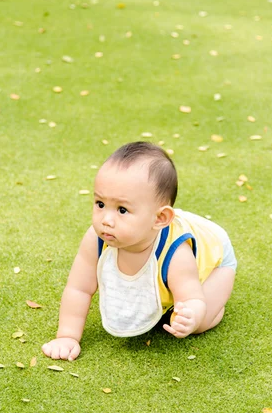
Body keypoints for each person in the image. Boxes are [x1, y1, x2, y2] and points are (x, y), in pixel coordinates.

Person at [41, 142, 237, 361]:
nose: (106, 220)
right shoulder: (96, 238)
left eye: (122, 210)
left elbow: (191, 298)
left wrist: (192, 314)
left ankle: (216, 309)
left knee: (197, 322)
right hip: (160, 231)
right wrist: (67, 336)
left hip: (217, 260)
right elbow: (79, 288)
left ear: (159, 218)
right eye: (100, 204)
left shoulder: (177, 253)